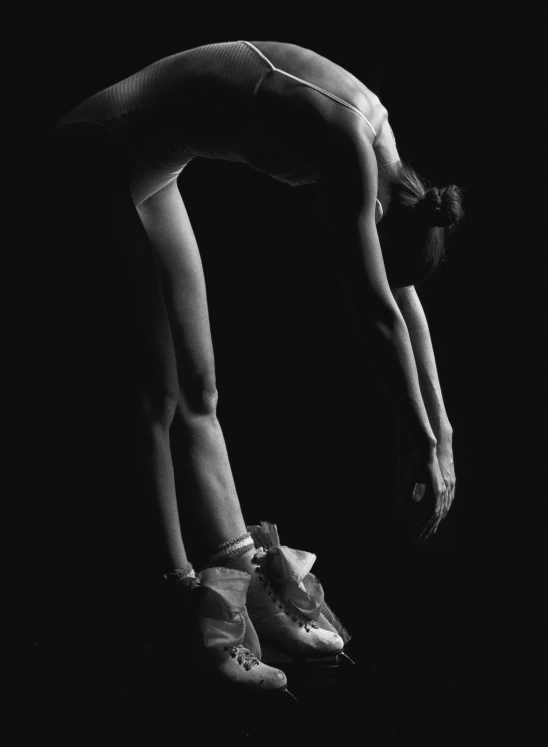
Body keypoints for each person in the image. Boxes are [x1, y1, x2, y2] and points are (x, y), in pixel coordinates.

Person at [47, 40, 463, 693]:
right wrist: (417, 438)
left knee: (202, 386)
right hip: (97, 150)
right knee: (156, 394)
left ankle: (235, 570)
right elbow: (376, 311)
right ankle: (184, 606)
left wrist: (442, 434)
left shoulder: (392, 169)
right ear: (378, 214)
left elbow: (401, 300)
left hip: (154, 169)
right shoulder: (348, 138)